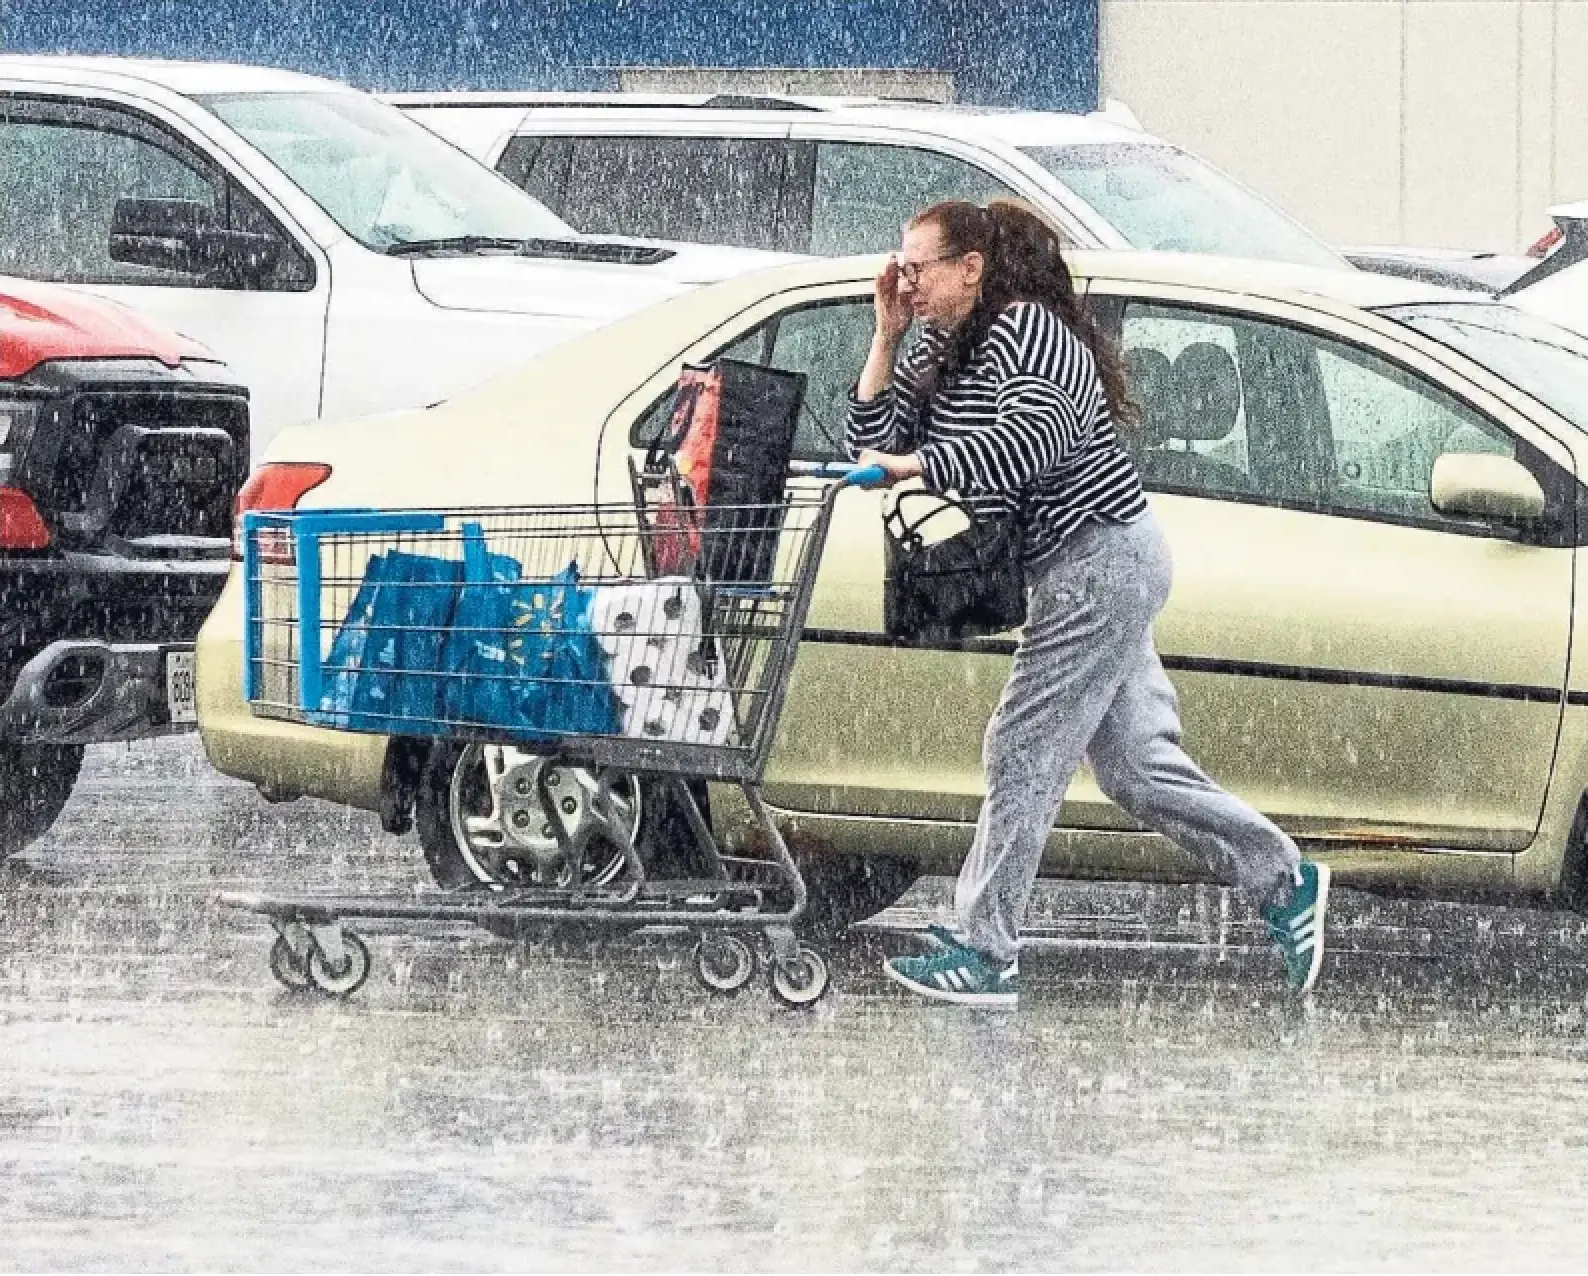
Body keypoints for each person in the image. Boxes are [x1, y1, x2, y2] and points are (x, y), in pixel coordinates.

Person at [846, 199, 1329, 1007]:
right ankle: (1283, 879)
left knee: (1021, 747)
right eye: (902, 266)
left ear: (971, 267)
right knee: (1135, 767)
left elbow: (1030, 441)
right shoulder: (941, 342)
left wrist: (918, 468)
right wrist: (886, 337)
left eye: (920, 267)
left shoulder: (1027, 330)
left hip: (1101, 556)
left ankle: (986, 950)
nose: (907, 280)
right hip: (1084, 568)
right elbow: (872, 439)